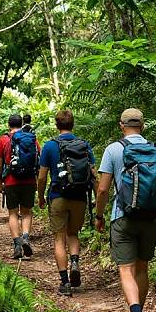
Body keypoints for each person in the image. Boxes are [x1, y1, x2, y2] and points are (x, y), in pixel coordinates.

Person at [94, 108, 156, 312]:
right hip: (151, 218)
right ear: (143, 126)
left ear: (121, 125)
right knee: (142, 268)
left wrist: (99, 215)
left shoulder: (113, 149)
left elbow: (102, 189)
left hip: (123, 216)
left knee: (126, 269)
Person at [37, 110, 97, 297]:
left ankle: (64, 282)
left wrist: (40, 196)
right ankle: (75, 262)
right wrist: (97, 199)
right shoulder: (84, 145)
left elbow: (42, 176)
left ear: (57, 125)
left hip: (58, 196)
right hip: (79, 196)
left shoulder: (49, 146)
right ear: (73, 124)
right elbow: (94, 174)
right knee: (73, 233)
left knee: (58, 238)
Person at [0, 114, 40, 259]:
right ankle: (26, 237)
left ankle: (17, 244)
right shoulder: (31, 138)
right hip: (29, 181)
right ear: (21, 124)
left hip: (10, 181)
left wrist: (0, 182)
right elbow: (38, 161)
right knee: (26, 212)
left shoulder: (3, 140)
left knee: (13, 213)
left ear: (9, 125)